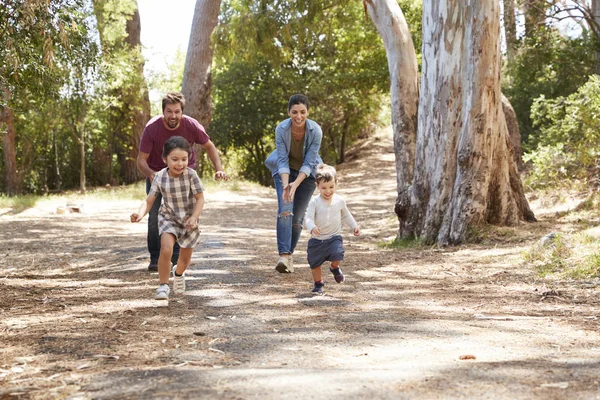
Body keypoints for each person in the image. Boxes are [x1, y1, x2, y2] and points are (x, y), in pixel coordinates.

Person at [137, 92, 228, 272]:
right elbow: (141, 159)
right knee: (154, 216)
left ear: (182, 112)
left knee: (185, 215)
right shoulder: (152, 128)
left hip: (185, 175)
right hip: (158, 174)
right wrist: (151, 173)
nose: (173, 116)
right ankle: (156, 258)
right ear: (163, 111)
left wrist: (219, 168)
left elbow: (209, 146)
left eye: (177, 111)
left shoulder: (191, 125)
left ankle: (177, 258)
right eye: (169, 111)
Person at [131, 136, 204, 300]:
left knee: (184, 261)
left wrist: (194, 217)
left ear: (189, 159)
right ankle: (163, 286)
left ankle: (178, 274)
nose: (180, 164)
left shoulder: (192, 176)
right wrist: (140, 214)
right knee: (166, 249)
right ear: (165, 159)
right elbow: (149, 201)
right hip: (168, 217)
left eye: (184, 159)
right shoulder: (159, 177)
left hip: (188, 221)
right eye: (175, 159)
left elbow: (200, 198)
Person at [265, 94, 323, 273]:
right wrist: (286, 186)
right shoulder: (282, 129)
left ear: (308, 112)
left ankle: (289, 255)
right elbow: (282, 160)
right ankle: (283, 256)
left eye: (303, 112)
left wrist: (295, 184)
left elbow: (309, 162)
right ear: (288, 112)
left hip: (307, 175)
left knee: (297, 218)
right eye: (295, 112)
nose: (299, 116)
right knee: (285, 210)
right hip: (285, 172)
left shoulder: (316, 131)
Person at [304, 164, 359, 295]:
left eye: (331, 187)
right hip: (318, 239)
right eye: (323, 188)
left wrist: (354, 226)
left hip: (334, 237)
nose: (328, 191)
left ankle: (334, 267)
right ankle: (318, 284)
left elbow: (346, 214)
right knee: (315, 263)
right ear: (317, 186)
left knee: (338, 254)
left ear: (336, 184)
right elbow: (308, 218)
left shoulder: (340, 200)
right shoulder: (314, 202)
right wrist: (312, 227)